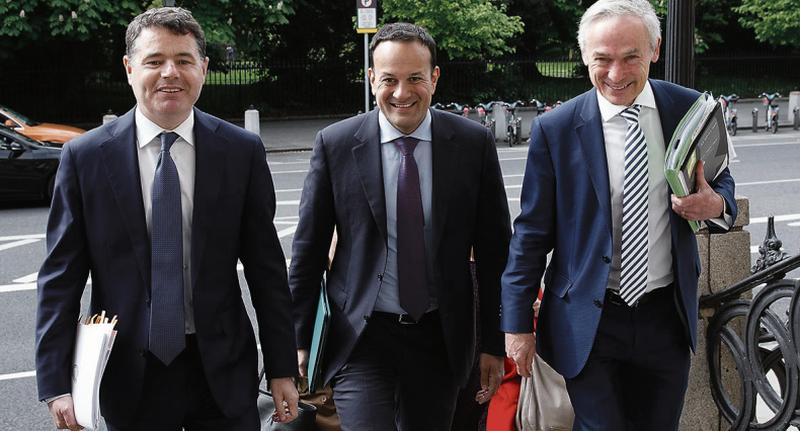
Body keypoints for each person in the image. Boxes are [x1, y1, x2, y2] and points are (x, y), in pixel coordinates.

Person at [35, 7, 298, 430]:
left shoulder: (241, 152)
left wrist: (283, 366)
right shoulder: (85, 158)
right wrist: (55, 381)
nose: (170, 73)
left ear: (204, 69)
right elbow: (60, 277)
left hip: (223, 372)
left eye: (184, 60)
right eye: (155, 61)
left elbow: (266, 270)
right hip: (128, 375)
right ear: (129, 68)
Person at [501, 1, 737, 430]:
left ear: (655, 49)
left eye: (630, 57)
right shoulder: (555, 129)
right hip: (587, 320)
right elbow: (531, 233)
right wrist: (517, 324)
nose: (616, 74)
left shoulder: (690, 109)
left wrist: (715, 205)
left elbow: (722, 184)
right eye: (602, 60)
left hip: (665, 318)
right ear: (585, 58)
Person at [288, 22, 511, 431]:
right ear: (372, 78)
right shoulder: (336, 144)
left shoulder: (472, 144)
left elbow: (497, 252)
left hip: (440, 337)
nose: (402, 93)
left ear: (435, 78)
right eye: (389, 79)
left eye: (415, 79)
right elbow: (308, 250)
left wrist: (494, 344)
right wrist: (299, 339)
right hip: (363, 335)